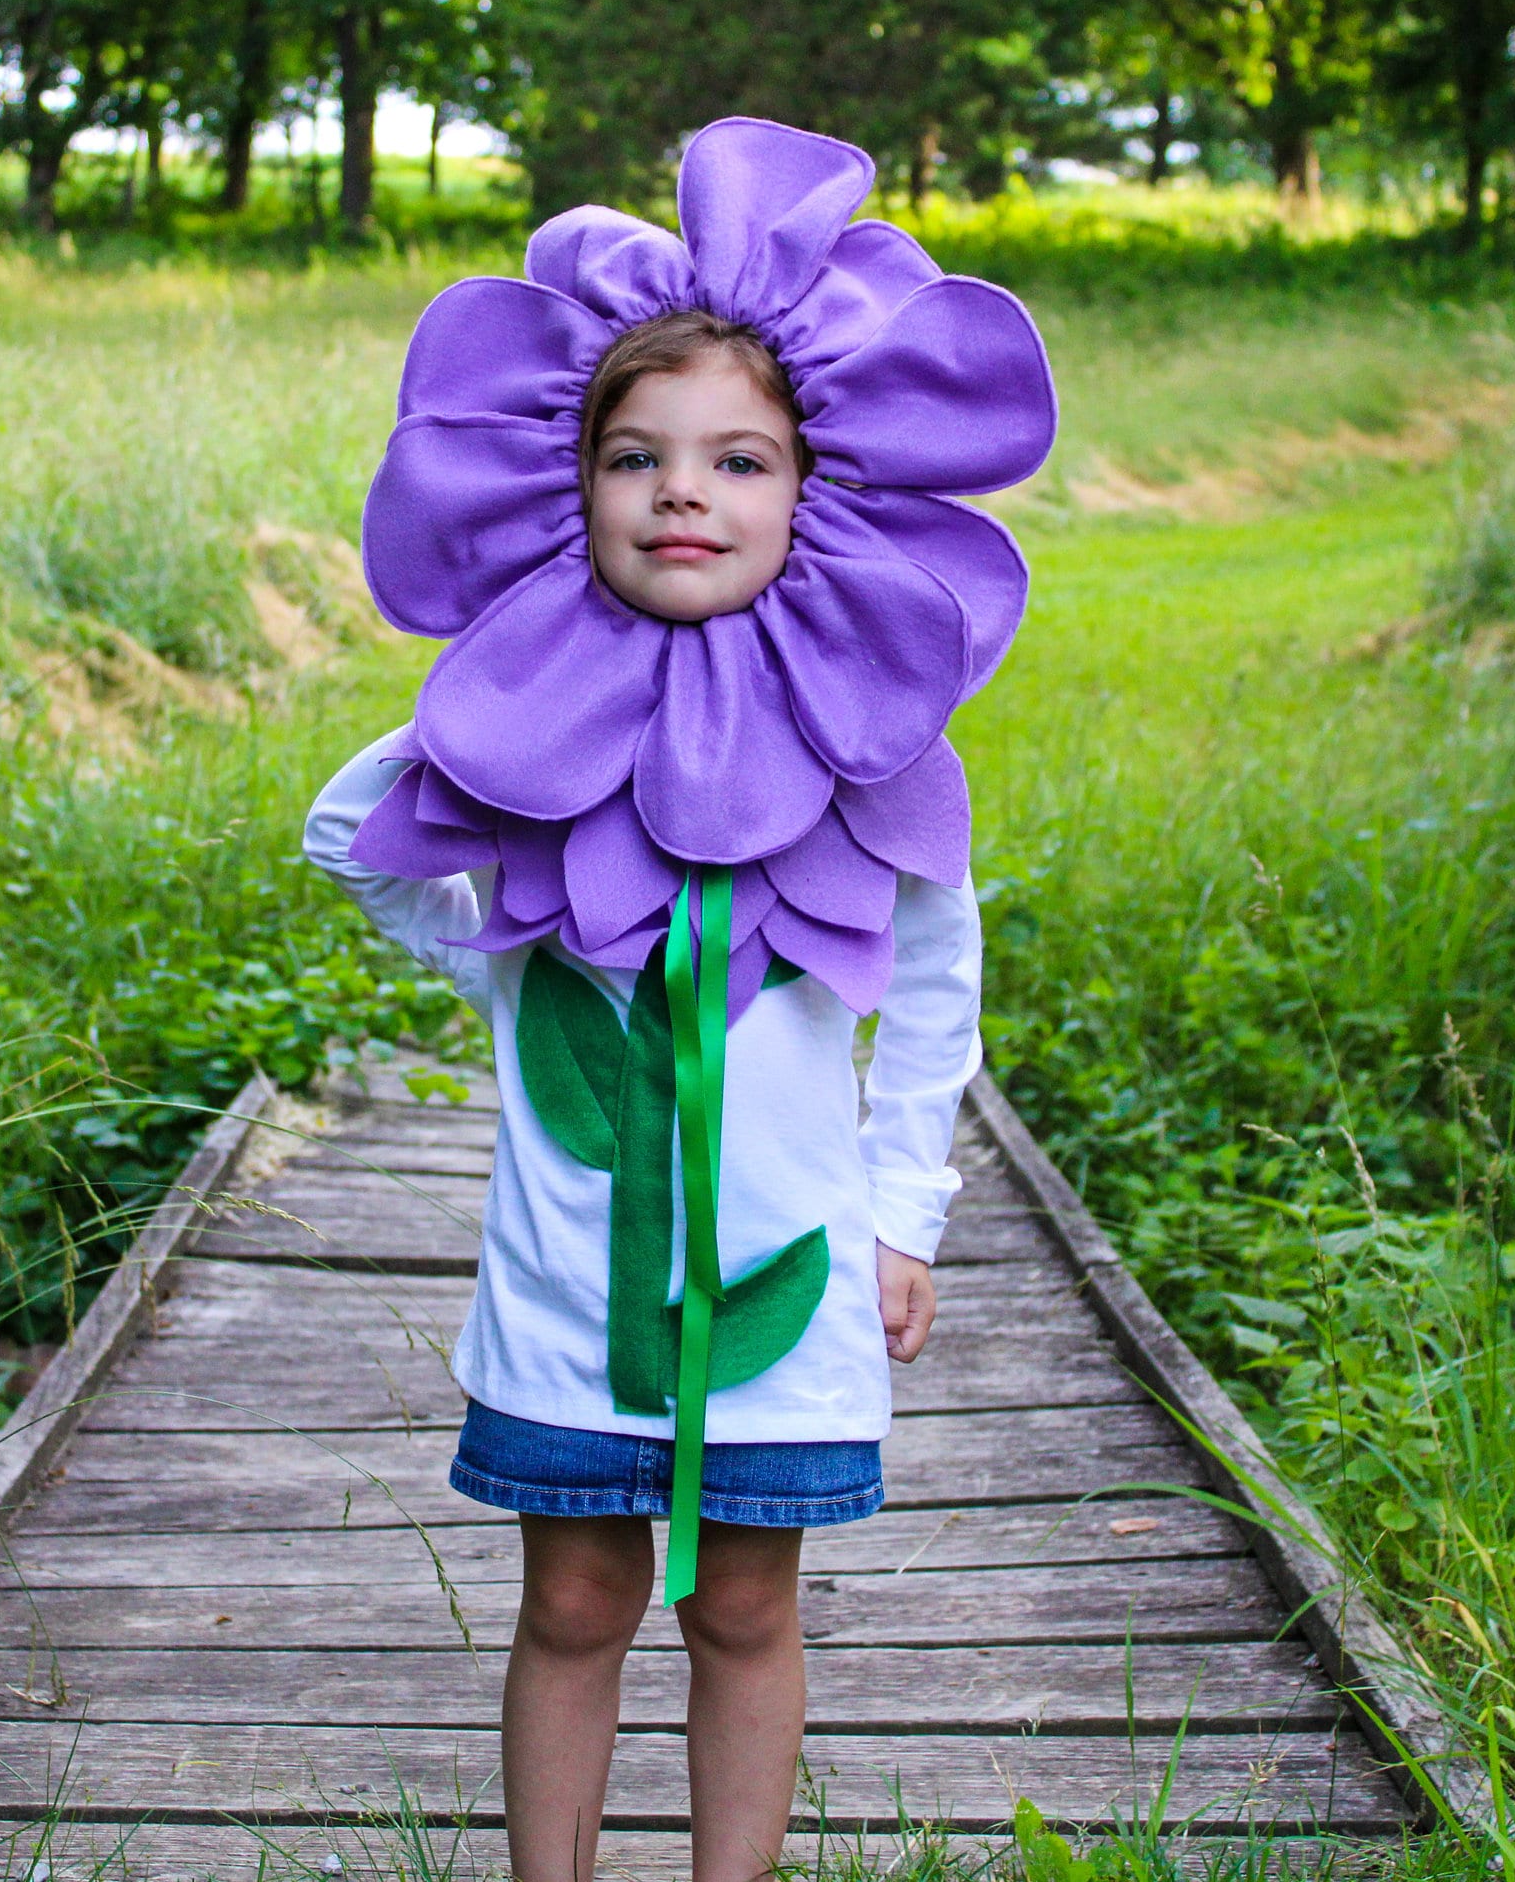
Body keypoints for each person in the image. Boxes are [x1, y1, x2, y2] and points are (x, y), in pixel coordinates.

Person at [303, 117, 1056, 1882]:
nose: (683, 494)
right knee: (574, 1598)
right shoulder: (540, 732)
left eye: (738, 460)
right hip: (571, 1271)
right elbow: (349, 837)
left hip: (787, 1266)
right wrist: (505, 721)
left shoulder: (868, 737)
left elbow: (936, 980)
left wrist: (905, 1214)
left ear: (818, 492)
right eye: (632, 461)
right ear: (570, 498)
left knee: (742, 1603)